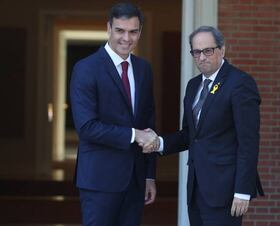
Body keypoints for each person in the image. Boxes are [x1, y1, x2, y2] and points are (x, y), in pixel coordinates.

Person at [143, 25, 264, 226]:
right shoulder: (193, 86)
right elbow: (189, 135)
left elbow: (249, 142)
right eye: (196, 52)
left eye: (208, 50)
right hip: (196, 189)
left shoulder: (240, 83)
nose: (202, 57)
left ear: (222, 50)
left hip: (226, 191)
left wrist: (242, 191)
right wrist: (159, 142)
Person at [70, 2, 158, 225]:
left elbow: (148, 122)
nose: (126, 38)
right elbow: (87, 127)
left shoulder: (144, 69)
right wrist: (134, 135)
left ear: (140, 32)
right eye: (120, 30)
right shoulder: (86, 68)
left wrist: (149, 175)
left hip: (136, 181)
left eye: (133, 32)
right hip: (99, 180)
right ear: (108, 28)